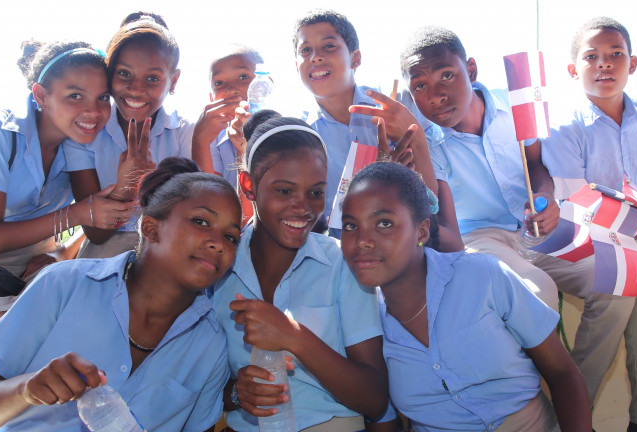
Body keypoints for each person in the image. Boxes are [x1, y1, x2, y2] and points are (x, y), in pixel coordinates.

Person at [0, 157, 242, 432]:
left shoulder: (210, 343)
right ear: (151, 228)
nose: (218, 243)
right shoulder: (64, 285)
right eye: (201, 222)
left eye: (231, 236)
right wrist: (27, 389)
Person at [0, 41, 134, 414]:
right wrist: (77, 215)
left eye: (102, 98)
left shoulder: (80, 144)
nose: (93, 111)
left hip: (37, 267)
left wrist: (60, 252)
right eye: (75, 96)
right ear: (40, 95)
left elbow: (95, 224)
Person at [340, 161, 591, 431]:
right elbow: (382, 419)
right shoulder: (366, 325)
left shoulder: (482, 276)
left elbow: (562, 373)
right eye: (351, 226)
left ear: (421, 231)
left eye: (384, 223)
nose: (362, 240)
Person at [399, 25, 600, 311]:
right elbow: (444, 227)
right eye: (420, 86)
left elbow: (534, 163)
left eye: (447, 75)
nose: (436, 95)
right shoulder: (426, 144)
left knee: (608, 278)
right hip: (480, 240)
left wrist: (546, 198)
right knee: (538, 291)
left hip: (536, 232)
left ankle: (590, 346)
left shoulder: (516, 104)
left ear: (471, 70)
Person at [211, 112, 388, 432]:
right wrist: (236, 394)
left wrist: (295, 337)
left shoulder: (341, 263)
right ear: (249, 185)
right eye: (284, 191)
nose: (303, 207)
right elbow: (199, 387)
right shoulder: (217, 268)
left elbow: (374, 399)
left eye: (316, 192)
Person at [541, 17, 637, 431]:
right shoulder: (565, 128)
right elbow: (575, 208)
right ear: (574, 69)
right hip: (578, 236)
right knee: (628, 269)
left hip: (634, 235)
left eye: (615, 54)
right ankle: (573, 410)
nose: (604, 64)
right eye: (592, 57)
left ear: (632, 64)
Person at [291, 9, 447, 241]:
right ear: (296, 66)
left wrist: (416, 138)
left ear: (355, 58)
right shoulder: (301, 135)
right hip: (345, 250)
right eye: (305, 50)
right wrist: (383, 177)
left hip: (407, 243)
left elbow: (431, 204)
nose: (315, 57)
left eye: (329, 46)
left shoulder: (397, 104)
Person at [63, 15, 194, 258]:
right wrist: (127, 187)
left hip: (165, 251)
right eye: (124, 73)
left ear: (173, 81)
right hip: (102, 254)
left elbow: (189, 218)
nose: (136, 89)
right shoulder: (84, 134)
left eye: (152, 78)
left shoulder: (184, 132)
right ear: (109, 75)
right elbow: (96, 233)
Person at [192, 44, 263, 187]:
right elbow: (208, 195)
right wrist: (200, 142)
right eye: (219, 83)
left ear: (265, 84)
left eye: (243, 77)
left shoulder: (284, 130)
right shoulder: (212, 140)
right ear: (211, 98)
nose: (231, 90)